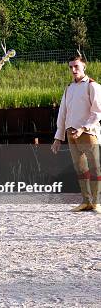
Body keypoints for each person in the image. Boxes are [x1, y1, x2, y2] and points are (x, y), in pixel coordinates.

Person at [51, 56, 101, 213]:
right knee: (80, 168)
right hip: (71, 133)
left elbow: (97, 112)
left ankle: (96, 202)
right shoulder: (69, 88)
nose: (73, 70)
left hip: (87, 133)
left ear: (84, 66)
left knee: (95, 168)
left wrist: (83, 128)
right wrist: (58, 137)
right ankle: (86, 201)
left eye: (76, 66)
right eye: (71, 67)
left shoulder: (92, 86)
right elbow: (62, 113)